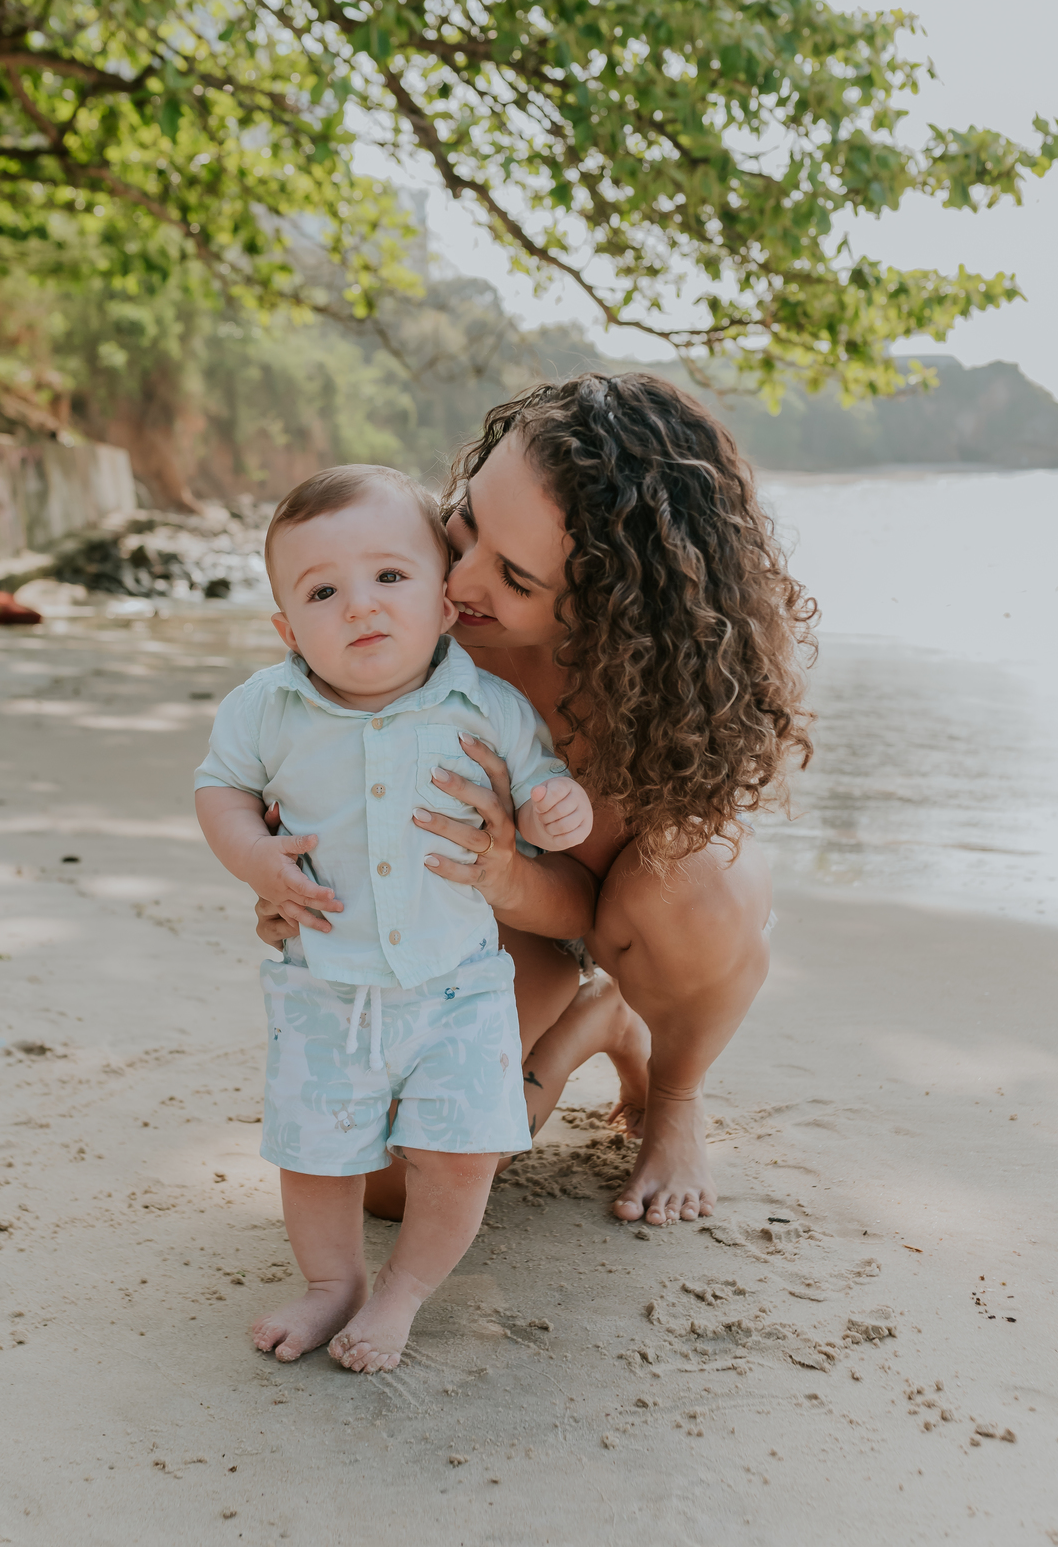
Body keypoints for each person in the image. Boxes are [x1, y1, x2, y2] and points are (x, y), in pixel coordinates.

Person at [254, 372, 816, 1233]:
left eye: (513, 577)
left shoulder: (657, 695)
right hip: (484, 921)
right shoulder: (410, 635)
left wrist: (522, 871)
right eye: (466, 522)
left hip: (633, 901)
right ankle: (593, 1021)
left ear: (607, 608)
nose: (459, 580)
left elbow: (601, 899)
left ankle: (674, 1094)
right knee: (393, 1190)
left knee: (691, 891)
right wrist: (287, 882)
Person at [194, 464, 595, 1371]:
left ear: (446, 604)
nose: (360, 607)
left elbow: (537, 788)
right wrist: (255, 858)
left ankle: (406, 1294)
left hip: (456, 990)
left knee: (458, 1156)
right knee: (317, 1158)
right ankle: (333, 1284)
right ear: (288, 628)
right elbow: (220, 789)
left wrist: (552, 809)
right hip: (324, 990)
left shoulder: (486, 705)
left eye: (390, 577)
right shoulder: (268, 708)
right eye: (324, 591)